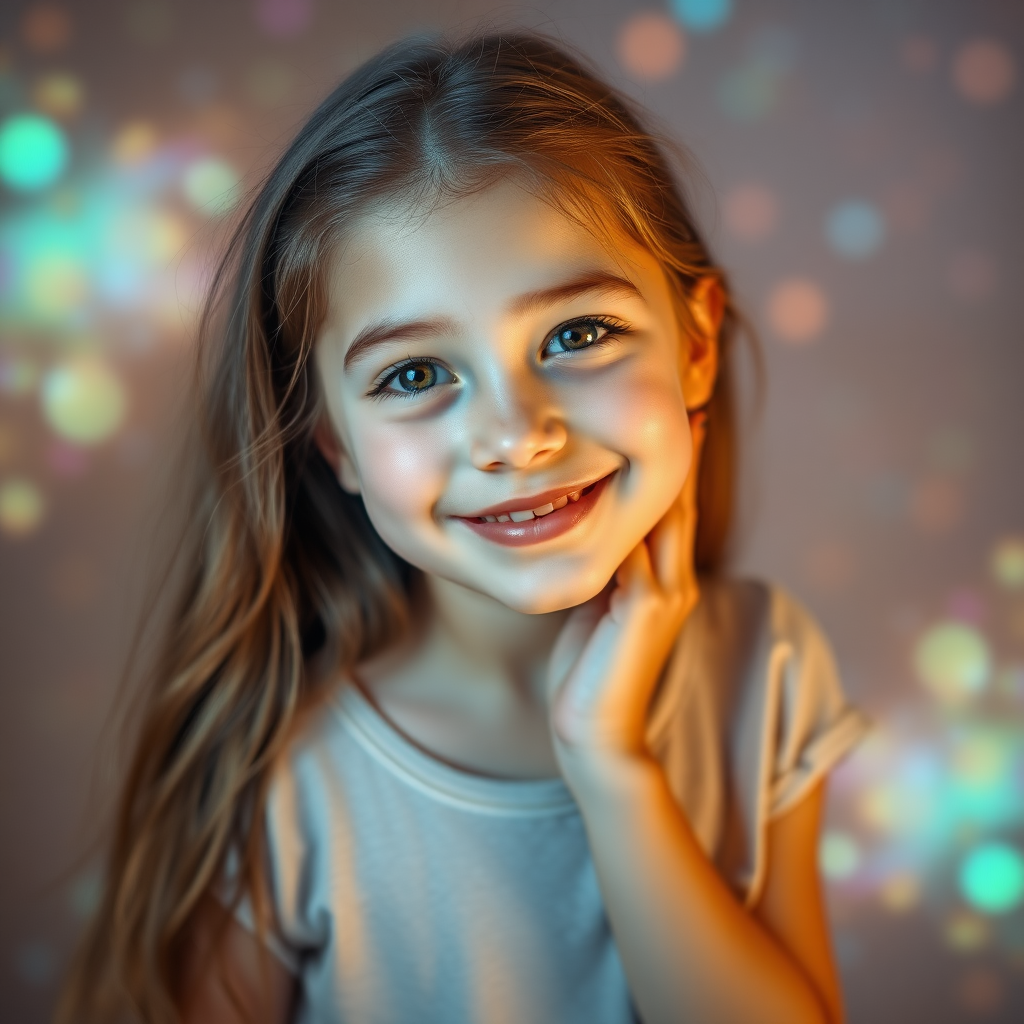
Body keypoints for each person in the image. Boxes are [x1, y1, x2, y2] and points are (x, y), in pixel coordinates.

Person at [60, 31, 869, 1024]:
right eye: (413, 374)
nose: (515, 435)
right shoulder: (286, 778)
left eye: (578, 335)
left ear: (696, 344)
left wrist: (610, 763)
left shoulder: (763, 667)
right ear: (333, 442)